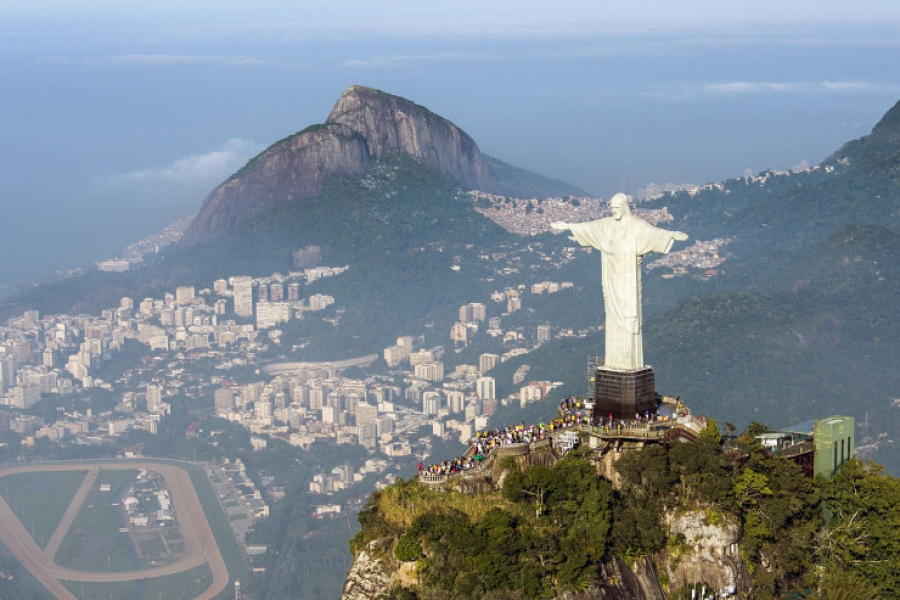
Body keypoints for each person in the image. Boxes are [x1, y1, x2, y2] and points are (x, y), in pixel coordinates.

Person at [552, 194, 687, 370]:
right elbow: (590, 228)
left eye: (617, 208)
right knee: (613, 318)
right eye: (612, 209)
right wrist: (568, 226)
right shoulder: (607, 225)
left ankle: (628, 365)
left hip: (628, 280)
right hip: (611, 278)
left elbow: (653, 233)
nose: (614, 212)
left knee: (629, 318)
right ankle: (614, 363)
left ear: (624, 207)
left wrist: (672, 235)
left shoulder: (636, 226)